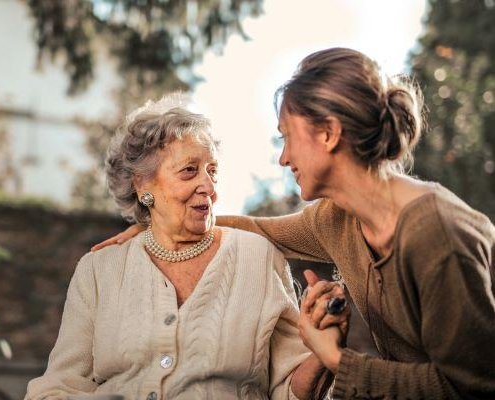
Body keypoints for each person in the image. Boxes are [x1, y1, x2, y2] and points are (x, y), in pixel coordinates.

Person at [93, 49, 495, 399]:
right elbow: (260, 229)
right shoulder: (337, 218)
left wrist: (336, 358)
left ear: (328, 133)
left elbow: (472, 386)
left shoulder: (436, 234)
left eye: (287, 137)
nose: (283, 158)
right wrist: (162, 226)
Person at [25, 94, 347, 400]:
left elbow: (291, 391)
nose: (207, 186)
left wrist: (323, 352)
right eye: (189, 171)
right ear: (143, 185)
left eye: (213, 171)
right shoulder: (99, 269)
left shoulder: (258, 257)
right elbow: (60, 386)